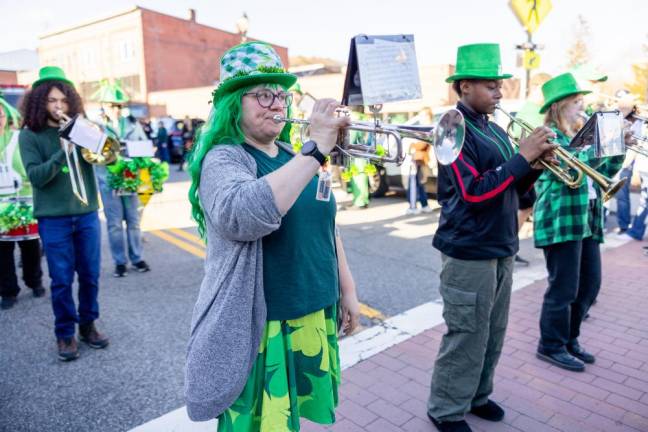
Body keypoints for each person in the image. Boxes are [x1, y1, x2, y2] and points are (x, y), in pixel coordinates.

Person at [184, 41, 360, 431]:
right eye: (263, 94)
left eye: (282, 95)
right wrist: (314, 150)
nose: (277, 104)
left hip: (313, 310)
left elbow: (327, 227)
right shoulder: (224, 158)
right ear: (233, 103)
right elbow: (245, 214)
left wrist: (346, 289)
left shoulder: (290, 153)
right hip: (264, 326)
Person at [427, 43, 555, 432]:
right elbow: (474, 192)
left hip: (500, 244)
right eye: (491, 85)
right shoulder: (451, 127)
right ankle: (446, 409)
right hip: (468, 249)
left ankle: (477, 395)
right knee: (466, 332)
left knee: (493, 331)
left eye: (500, 85)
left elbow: (510, 186)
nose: (500, 92)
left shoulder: (495, 128)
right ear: (464, 86)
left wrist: (535, 165)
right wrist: (522, 157)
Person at [533, 73, 625, 372]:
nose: (581, 106)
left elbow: (605, 170)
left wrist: (617, 144)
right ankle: (550, 345)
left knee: (589, 286)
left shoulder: (578, 137)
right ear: (559, 105)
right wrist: (600, 142)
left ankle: (570, 339)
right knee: (563, 288)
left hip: (586, 220)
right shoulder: (547, 136)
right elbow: (575, 166)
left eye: (582, 100)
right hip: (560, 221)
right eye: (576, 101)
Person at [19, 66, 109, 361]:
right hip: (54, 218)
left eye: (63, 100)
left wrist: (94, 138)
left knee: (90, 275)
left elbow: (106, 156)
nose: (59, 106)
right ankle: (65, 333)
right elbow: (37, 176)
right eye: (51, 101)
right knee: (60, 279)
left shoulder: (80, 127)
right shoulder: (30, 135)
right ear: (39, 102)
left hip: (86, 213)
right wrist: (62, 151)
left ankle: (88, 324)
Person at [0, 93, 44, 310]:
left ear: (6, 116)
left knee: (30, 246)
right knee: (2, 252)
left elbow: (30, 164)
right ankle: (8, 291)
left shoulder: (19, 137)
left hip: (23, 202)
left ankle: (34, 281)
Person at [96, 103, 150, 277]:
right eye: (112, 105)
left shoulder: (133, 124)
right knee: (114, 224)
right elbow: (92, 154)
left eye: (119, 105)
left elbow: (145, 148)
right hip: (108, 181)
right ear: (104, 106)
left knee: (134, 221)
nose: (116, 109)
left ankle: (137, 258)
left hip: (130, 179)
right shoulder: (98, 127)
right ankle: (120, 262)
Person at [407, 107, 433, 215]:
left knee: (414, 183)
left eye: (422, 115)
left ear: (427, 116)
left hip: (419, 159)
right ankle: (424, 205)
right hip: (419, 158)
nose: (420, 118)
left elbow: (422, 144)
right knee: (420, 183)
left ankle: (413, 207)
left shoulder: (428, 128)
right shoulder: (425, 127)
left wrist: (412, 145)